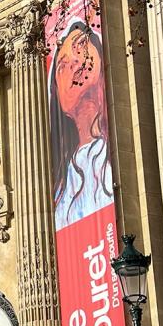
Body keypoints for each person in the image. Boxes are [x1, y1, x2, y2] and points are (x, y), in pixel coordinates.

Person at [48, 18, 113, 228]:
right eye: (62, 66)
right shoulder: (62, 186)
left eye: (81, 46)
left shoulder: (115, 150)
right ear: (57, 95)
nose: (75, 61)